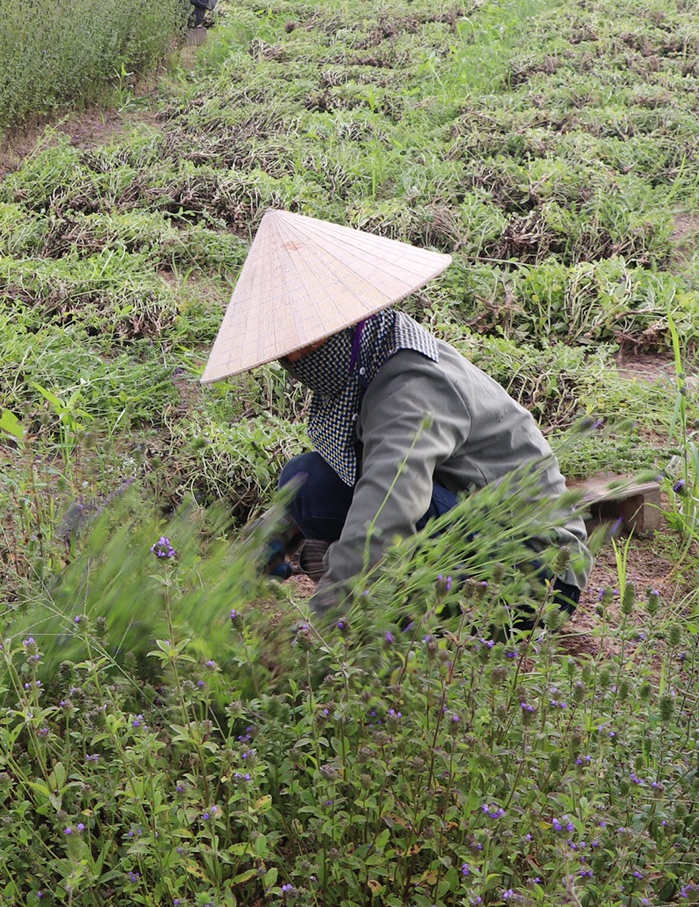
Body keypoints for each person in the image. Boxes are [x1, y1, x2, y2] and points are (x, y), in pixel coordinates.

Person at [200, 209, 587, 616]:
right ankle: (364, 581)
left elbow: (390, 504)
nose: (296, 362)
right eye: (287, 354)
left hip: (535, 572)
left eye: (306, 347)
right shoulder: (368, 357)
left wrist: (324, 622)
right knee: (308, 479)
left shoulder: (411, 384)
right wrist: (255, 553)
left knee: (385, 526)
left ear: (345, 324)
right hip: (463, 515)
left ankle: (390, 606)